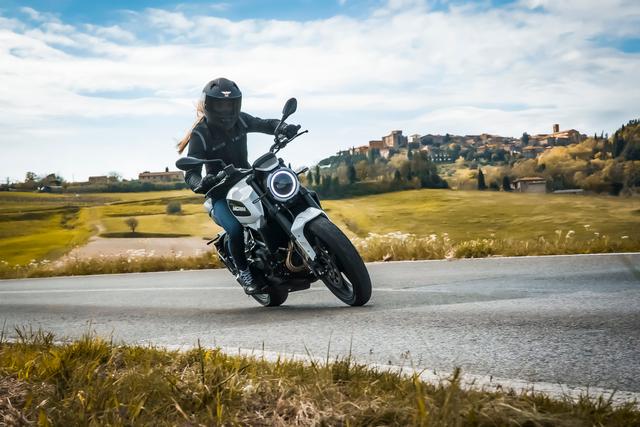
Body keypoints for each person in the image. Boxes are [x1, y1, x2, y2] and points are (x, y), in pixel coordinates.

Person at [177, 77, 300, 294]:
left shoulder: (241, 120)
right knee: (235, 230)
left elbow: (266, 124)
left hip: (248, 181)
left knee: (287, 196)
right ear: (209, 105)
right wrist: (202, 182)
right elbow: (191, 173)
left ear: (237, 104)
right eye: (220, 105)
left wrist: (283, 128)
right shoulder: (201, 134)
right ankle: (244, 272)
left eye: (229, 104)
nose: (225, 110)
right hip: (220, 193)